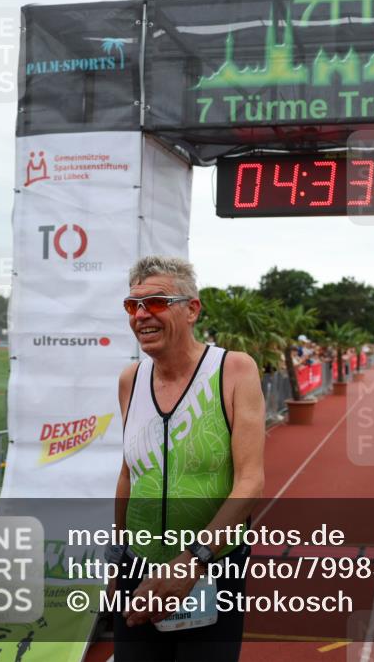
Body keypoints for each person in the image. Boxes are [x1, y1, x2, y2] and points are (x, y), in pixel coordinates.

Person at [109, 256, 264, 662]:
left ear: (192, 309)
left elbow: (250, 481)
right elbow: (128, 474)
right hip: (139, 569)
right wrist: (118, 556)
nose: (141, 315)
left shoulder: (234, 370)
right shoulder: (130, 380)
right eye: (132, 305)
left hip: (211, 569)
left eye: (156, 302)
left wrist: (193, 562)